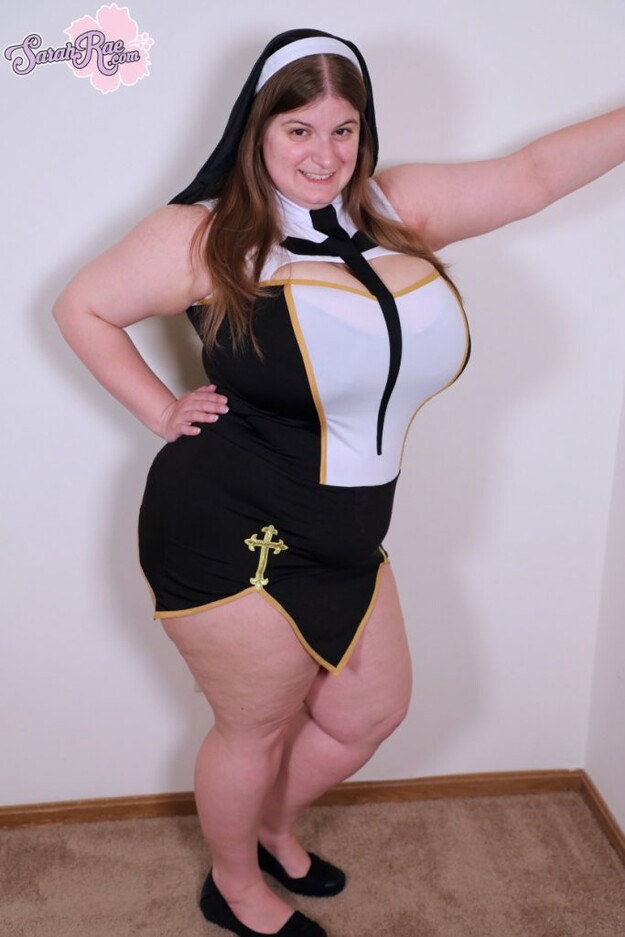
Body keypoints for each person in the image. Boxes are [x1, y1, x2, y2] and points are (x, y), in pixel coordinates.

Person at [53, 27, 624, 937]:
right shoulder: (205, 234)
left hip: (349, 531)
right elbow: (81, 305)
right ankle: (234, 885)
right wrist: (162, 411)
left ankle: (271, 827)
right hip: (231, 525)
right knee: (253, 729)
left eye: (343, 129)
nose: (324, 155)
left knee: (368, 711)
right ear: (256, 130)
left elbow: (534, 175)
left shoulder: (396, 206)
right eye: (298, 130)